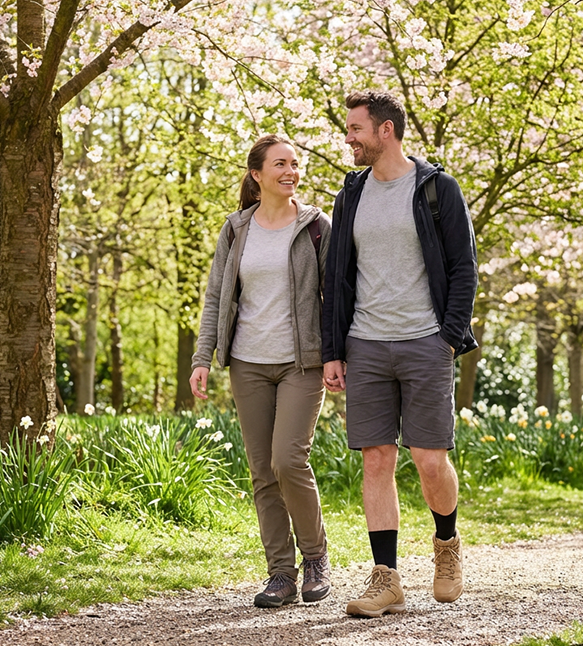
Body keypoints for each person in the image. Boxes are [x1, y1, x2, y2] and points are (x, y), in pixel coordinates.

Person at [321, 91, 478, 617]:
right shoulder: (352, 193)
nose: (349, 137)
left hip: (425, 341)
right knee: (376, 458)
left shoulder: (436, 188)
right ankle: (385, 578)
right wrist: (333, 349)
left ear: (385, 130)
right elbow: (336, 277)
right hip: (365, 343)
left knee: (430, 460)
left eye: (355, 128)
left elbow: (463, 268)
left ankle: (447, 547)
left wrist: (448, 337)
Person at [190, 134, 332, 608]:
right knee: (261, 472)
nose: (291, 171)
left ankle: (315, 559)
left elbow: (336, 298)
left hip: (301, 362)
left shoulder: (317, 226)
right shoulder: (236, 229)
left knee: (288, 461)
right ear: (257, 174)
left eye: (295, 163)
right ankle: (281, 574)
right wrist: (202, 357)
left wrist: (335, 354)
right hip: (247, 363)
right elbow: (217, 297)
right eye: (280, 164)